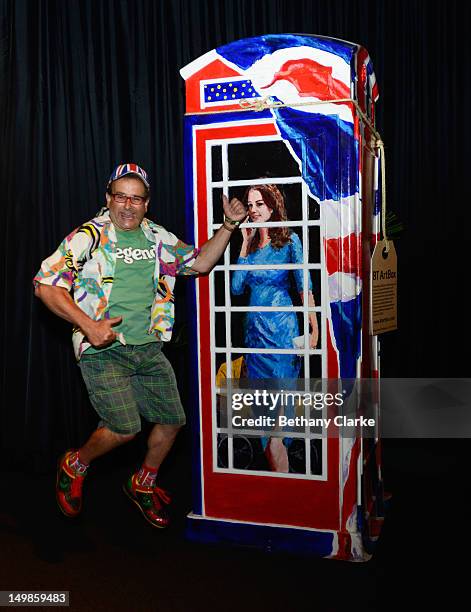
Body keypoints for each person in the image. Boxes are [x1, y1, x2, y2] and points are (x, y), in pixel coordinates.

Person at [34, 163, 246, 528]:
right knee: (124, 426)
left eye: (136, 198)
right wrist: (88, 325)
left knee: (172, 421)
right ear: (108, 199)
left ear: (147, 204)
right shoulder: (89, 237)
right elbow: (46, 284)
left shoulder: (157, 237)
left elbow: (199, 264)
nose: (128, 205)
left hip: (148, 348)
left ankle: (142, 483)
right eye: (121, 196)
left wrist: (228, 226)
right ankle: (75, 464)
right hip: (104, 349)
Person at [231, 183, 319, 472]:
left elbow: (304, 285)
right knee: (265, 420)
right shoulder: (252, 247)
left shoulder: (290, 240)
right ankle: (282, 487)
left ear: (272, 205)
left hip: (281, 333)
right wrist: (244, 244)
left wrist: (314, 329)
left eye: (259, 204)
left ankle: (286, 493)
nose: (253, 210)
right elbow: (236, 288)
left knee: (278, 431)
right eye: (250, 204)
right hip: (254, 336)